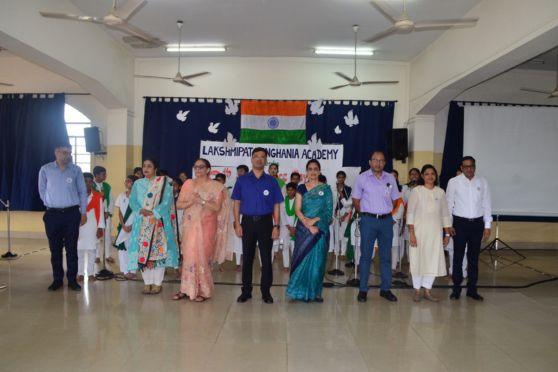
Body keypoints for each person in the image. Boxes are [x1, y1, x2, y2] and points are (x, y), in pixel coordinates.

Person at [173, 159, 231, 302]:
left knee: (203, 257)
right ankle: (186, 289)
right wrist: (191, 201)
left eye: (201, 167)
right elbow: (179, 204)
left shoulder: (216, 187)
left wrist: (202, 201)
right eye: (196, 167)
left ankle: (203, 290)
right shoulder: (188, 184)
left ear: (208, 169)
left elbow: (217, 208)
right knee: (189, 256)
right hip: (190, 226)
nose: (197, 169)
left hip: (207, 225)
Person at [232, 147, 283, 304]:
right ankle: (246, 291)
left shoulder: (272, 181)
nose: (259, 159)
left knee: (266, 259)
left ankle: (266, 292)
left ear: (266, 160)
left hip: (266, 222)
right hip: (247, 222)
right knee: (247, 258)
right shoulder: (242, 180)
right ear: (251, 159)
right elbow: (236, 203)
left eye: (262, 157)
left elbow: (276, 205)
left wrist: (276, 226)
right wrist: (237, 224)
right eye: (256, 156)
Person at [38, 142, 87, 291]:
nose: (67, 155)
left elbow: (82, 192)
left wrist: (83, 212)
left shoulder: (76, 170)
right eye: (64, 152)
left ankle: (72, 279)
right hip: (53, 214)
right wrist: (50, 203)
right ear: (56, 153)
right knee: (55, 248)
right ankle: (57, 279)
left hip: (72, 214)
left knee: (72, 248)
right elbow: (41, 190)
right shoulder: (45, 169)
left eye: (69, 152)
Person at [352, 151, 400, 303]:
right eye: (375, 160)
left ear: (384, 163)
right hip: (368, 221)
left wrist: (386, 213)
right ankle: (363, 290)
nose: (378, 163)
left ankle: (385, 289)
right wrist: (366, 215)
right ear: (370, 162)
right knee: (366, 256)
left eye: (381, 160)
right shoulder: (362, 178)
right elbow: (356, 200)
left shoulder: (390, 178)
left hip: (386, 221)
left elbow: (395, 200)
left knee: (385, 257)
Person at [128, 158, 179, 295]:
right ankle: (147, 283)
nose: (146, 169)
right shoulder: (138, 184)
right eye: (144, 166)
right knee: (143, 252)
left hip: (158, 222)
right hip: (142, 221)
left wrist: (154, 213)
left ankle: (157, 283)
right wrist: (140, 210)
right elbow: (132, 201)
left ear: (155, 168)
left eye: (149, 166)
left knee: (158, 252)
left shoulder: (164, 184)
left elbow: (167, 202)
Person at [286, 160, 333, 302]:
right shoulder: (301, 188)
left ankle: (315, 293)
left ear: (319, 171)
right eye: (310, 169)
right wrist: (307, 223)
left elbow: (329, 211)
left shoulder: (326, 189)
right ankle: (297, 292)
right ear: (306, 171)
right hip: (304, 230)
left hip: (321, 229)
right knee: (301, 260)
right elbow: (297, 210)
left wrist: (316, 222)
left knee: (318, 263)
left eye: (315, 169)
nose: (313, 172)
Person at [446, 156, 492, 301]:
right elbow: (448, 205)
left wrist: (487, 226)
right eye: (466, 166)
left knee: (473, 258)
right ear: (461, 167)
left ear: (475, 167)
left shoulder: (482, 182)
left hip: (477, 224)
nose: (469, 169)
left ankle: (472, 289)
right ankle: (456, 289)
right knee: (457, 257)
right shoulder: (453, 182)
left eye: (471, 166)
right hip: (459, 224)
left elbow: (487, 204)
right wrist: (449, 225)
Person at [406, 165, 451, 302]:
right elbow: (411, 213)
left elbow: (444, 214)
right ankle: (417, 291)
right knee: (417, 259)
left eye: (432, 174)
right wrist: (412, 234)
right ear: (422, 176)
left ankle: (427, 290)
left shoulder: (440, 192)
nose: (430, 176)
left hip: (435, 234)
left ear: (436, 176)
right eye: (427, 174)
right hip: (419, 233)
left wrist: (447, 234)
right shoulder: (417, 191)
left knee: (432, 260)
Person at [77, 173, 105, 282]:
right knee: (79, 251)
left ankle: (91, 273)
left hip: (93, 226)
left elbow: (101, 213)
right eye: (85, 181)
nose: (87, 183)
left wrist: (100, 228)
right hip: (79, 226)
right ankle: (80, 273)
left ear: (92, 183)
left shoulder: (97, 196)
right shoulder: (75, 195)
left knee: (92, 251)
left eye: (90, 181)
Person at [113, 175, 138, 279]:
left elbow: (139, 214)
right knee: (122, 249)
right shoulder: (121, 196)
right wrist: (123, 225)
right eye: (126, 181)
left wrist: (132, 226)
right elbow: (119, 213)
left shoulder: (138, 197)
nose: (127, 183)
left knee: (133, 248)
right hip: (123, 227)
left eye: (129, 181)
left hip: (134, 226)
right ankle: (124, 270)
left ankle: (132, 270)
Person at [446, 168, 467, 278]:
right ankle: (452, 270)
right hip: (452, 222)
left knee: (463, 249)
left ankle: (462, 271)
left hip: (463, 222)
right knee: (451, 249)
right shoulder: (451, 187)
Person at [92, 166, 114, 264]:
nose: (105, 176)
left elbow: (111, 200)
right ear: (96, 175)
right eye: (103, 174)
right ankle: (96, 255)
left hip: (106, 215)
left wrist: (108, 212)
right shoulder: (90, 185)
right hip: (95, 215)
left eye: (105, 174)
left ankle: (108, 255)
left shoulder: (107, 186)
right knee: (96, 235)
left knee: (107, 235)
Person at [277, 182, 298, 272]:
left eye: (292, 190)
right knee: (285, 247)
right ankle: (286, 265)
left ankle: (294, 266)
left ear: (295, 191)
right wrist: (288, 227)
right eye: (288, 190)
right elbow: (282, 214)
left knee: (294, 247)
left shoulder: (298, 200)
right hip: (285, 227)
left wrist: (294, 227)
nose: (290, 192)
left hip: (296, 227)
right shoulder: (282, 201)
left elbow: (300, 214)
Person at [332, 171, 352, 258]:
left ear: (344, 178)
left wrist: (345, 215)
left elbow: (349, 204)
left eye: (342, 177)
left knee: (344, 234)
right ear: (337, 178)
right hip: (336, 213)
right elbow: (332, 204)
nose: (341, 179)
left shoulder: (348, 189)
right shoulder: (333, 189)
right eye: (339, 177)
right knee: (336, 233)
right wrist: (333, 214)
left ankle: (343, 253)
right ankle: (336, 252)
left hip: (345, 213)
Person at [390, 170, 406, 276]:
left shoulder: (400, 193)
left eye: (394, 176)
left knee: (395, 245)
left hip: (394, 223)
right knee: (386, 245)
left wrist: (393, 220)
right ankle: (386, 265)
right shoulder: (383, 190)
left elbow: (401, 208)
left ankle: (393, 267)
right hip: (383, 222)